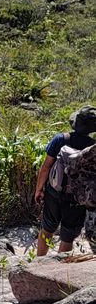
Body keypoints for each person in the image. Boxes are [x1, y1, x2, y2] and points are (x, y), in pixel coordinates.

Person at [35, 105, 96, 257]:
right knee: (68, 236)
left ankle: (38, 263)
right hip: (77, 198)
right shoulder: (92, 148)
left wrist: (39, 189)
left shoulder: (61, 139)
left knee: (47, 228)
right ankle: (58, 271)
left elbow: (45, 167)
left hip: (54, 191)